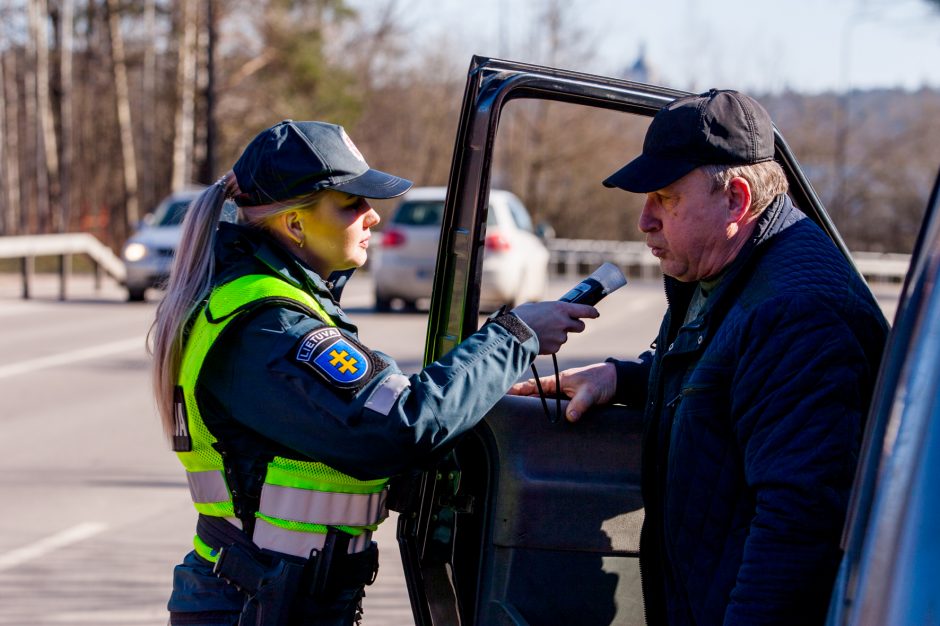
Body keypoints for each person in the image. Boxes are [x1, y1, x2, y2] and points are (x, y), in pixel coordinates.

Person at [150, 120, 597, 626]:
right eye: (351, 203)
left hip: (273, 598)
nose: (373, 216)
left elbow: (336, 444)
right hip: (252, 605)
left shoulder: (277, 303)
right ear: (294, 225)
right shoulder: (269, 324)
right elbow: (399, 423)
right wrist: (514, 337)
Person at [511, 90, 889, 625]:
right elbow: (732, 377)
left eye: (664, 197)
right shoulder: (728, 271)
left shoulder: (800, 315)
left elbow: (799, 528)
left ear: (735, 200)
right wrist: (627, 380)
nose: (644, 221)